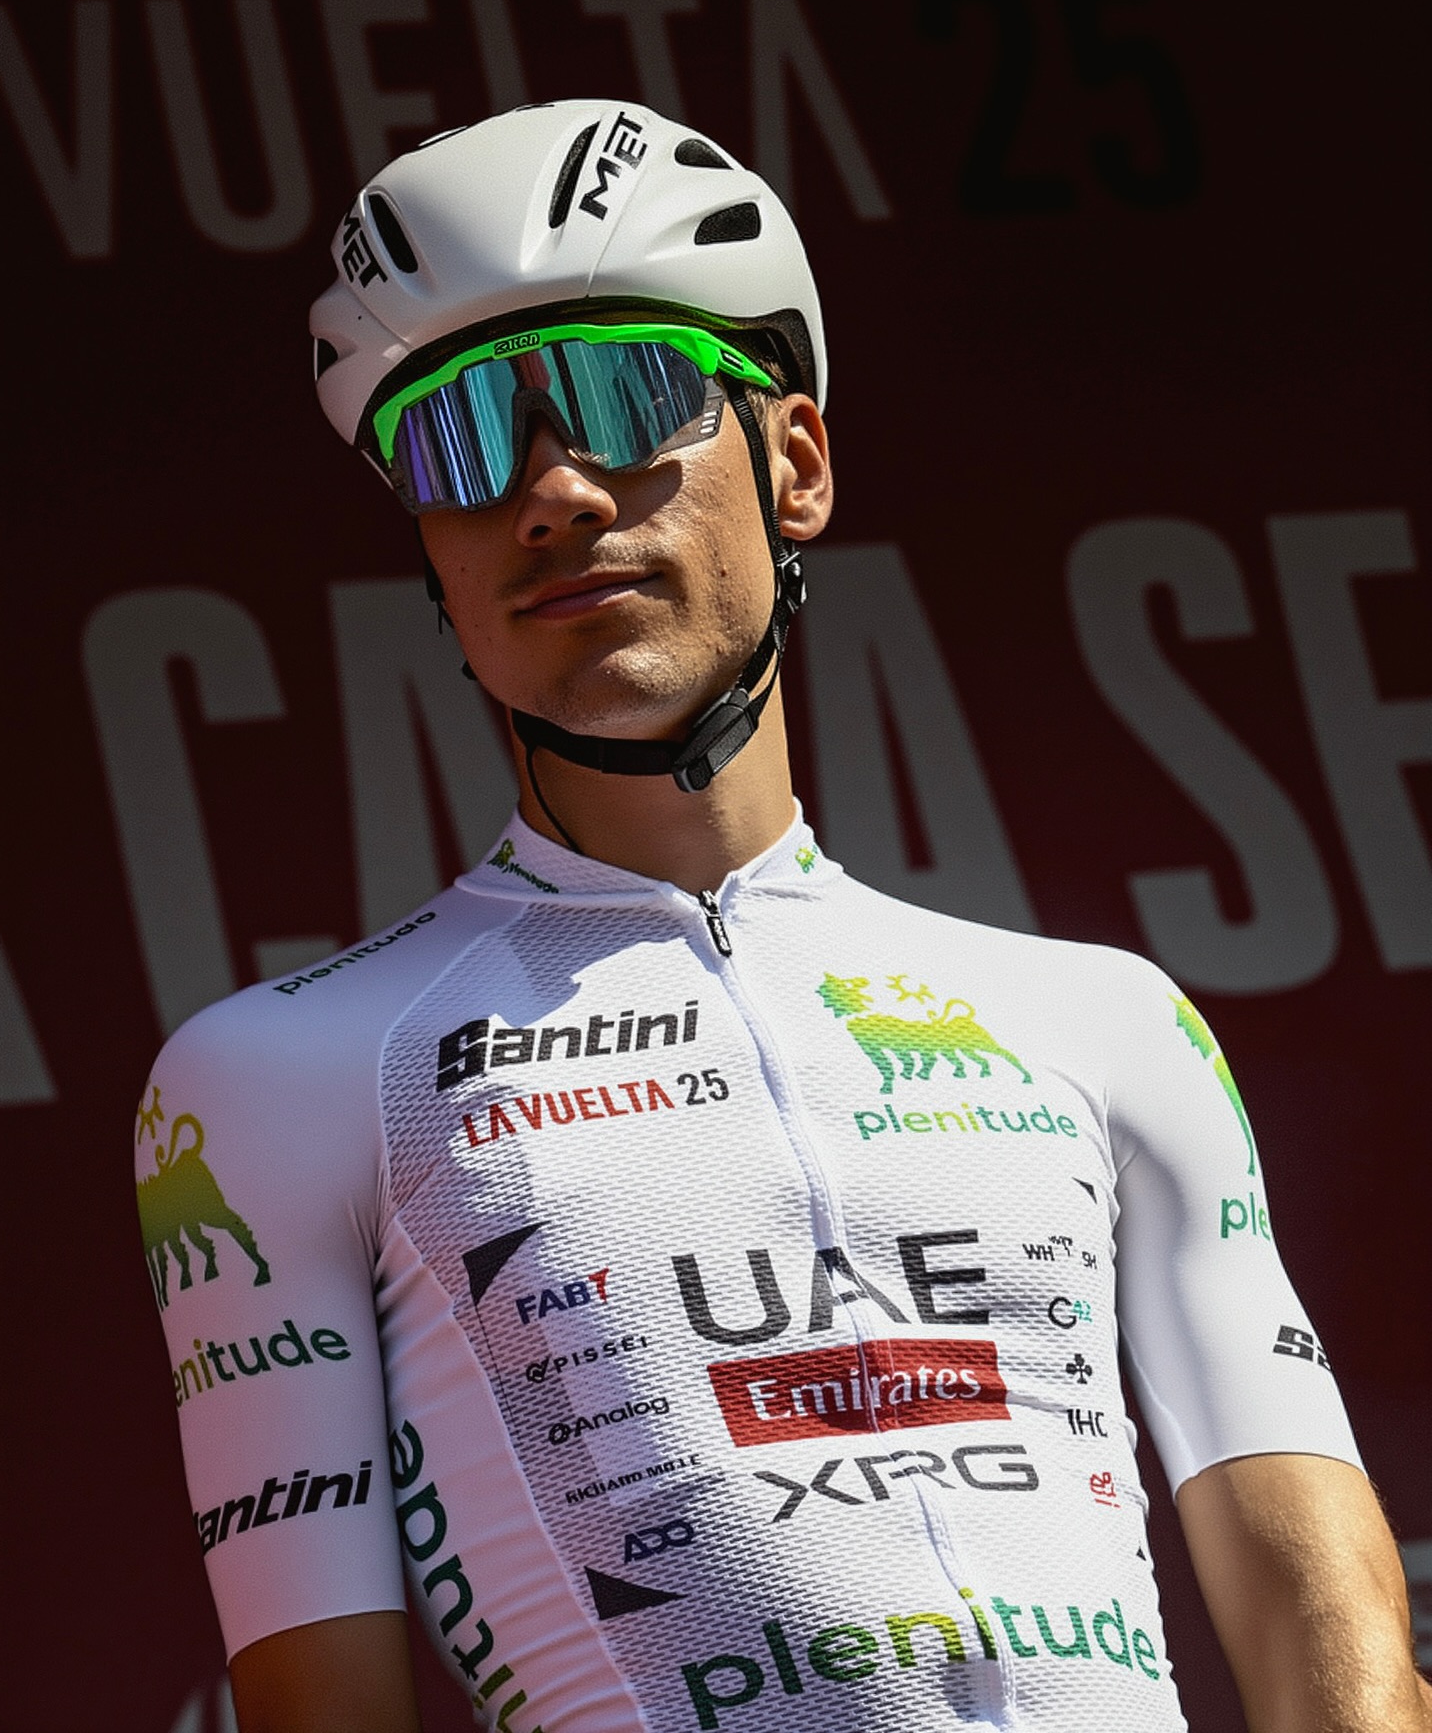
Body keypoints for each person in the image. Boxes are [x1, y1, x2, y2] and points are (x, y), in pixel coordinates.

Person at [136, 100, 1428, 1733]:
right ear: (437, 562)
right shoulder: (276, 1080)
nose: (552, 491)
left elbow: (1333, 1635)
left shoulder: (1107, 1021)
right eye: (460, 442)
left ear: (796, 464)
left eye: (625, 394)